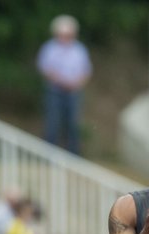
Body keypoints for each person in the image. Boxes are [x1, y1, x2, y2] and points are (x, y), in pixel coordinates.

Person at [36, 14, 92, 155]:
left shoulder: (79, 50)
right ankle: (49, 154)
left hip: (74, 92)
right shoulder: (49, 48)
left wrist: (76, 83)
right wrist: (61, 81)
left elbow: (85, 71)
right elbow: (45, 68)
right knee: (52, 123)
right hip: (54, 91)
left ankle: (73, 155)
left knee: (73, 124)